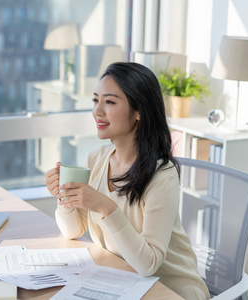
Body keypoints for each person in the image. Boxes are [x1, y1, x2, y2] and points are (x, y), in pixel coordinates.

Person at [44, 62, 210, 299]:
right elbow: (72, 231)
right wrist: (65, 197)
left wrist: (105, 206)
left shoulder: (162, 175)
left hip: (171, 291)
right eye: (95, 100)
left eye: (110, 102)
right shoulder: (96, 159)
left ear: (138, 111)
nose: (97, 111)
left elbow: (148, 264)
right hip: (125, 282)